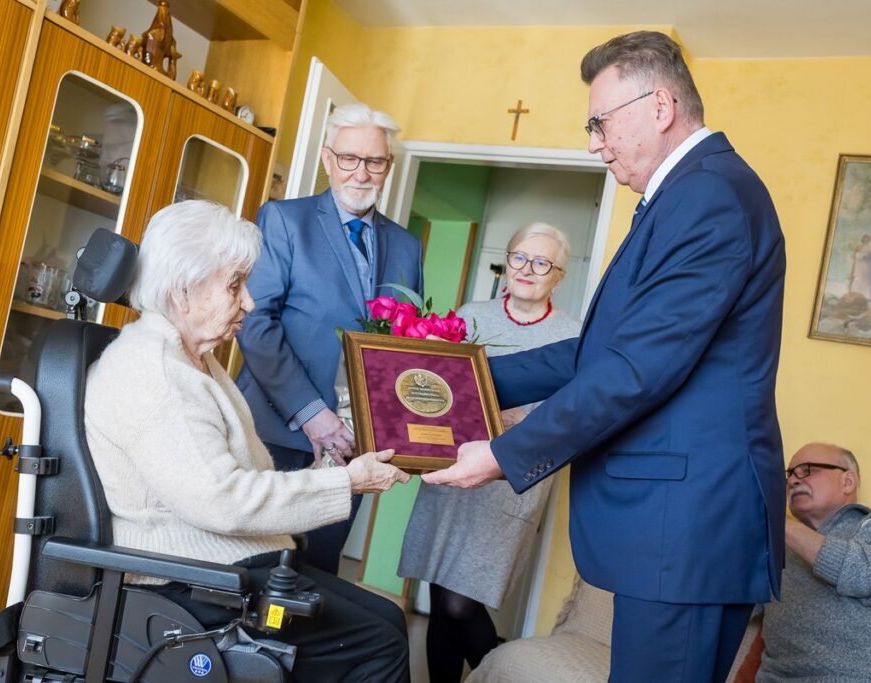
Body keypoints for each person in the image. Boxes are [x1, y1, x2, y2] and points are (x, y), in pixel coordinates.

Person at [425, 30, 787, 683]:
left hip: (686, 526)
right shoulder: (685, 196)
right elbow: (599, 353)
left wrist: (505, 455)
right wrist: (455, 381)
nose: (593, 143)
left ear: (659, 106)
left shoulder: (709, 196)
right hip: (675, 528)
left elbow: (636, 370)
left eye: (600, 122)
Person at [85, 200, 412, 683]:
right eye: (235, 285)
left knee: (388, 621)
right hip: (190, 579)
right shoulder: (154, 372)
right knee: (378, 643)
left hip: (232, 562)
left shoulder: (193, 360)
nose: (251, 303)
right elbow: (223, 500)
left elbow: (237, 478)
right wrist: (347, 483)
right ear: (183, 291)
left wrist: (328, 471)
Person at [236, 102, 423, 575]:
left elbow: (403, 348)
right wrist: (313, 414)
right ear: (327, 159)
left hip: (353, 450)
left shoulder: (407, 246)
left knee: (319, 576)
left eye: (374, 161)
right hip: (276, 433)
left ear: (388, 167)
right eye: (349, 159)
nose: (361, 173)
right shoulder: (284, 220)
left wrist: (380, 428)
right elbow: (256, 324)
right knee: (255, 569)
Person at [399, 223, 581, 681]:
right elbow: (437, 394)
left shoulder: (573, 334)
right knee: (442, 600)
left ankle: (501, 675)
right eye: (519, 257)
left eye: (542, 263)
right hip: (452, 474)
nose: (527, 269)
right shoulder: (468, 317)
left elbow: (570, 420)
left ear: (558, 275)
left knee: (462, 603)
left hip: (508, 483)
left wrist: (505, 422)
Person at [757, 443, 871, 682]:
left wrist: (779, 524)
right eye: (789, 474)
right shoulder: (773, 549)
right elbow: (730, 603)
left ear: (848, 482)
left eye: (808, 469)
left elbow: (868, 577)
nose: (793, 481)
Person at [848, 233, 871, 298]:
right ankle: (855, 295)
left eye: (870, 240)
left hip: (865, 266)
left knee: (863, 281)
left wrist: (865, 256)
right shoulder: (861, 247)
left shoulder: (867, 247)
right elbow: (855, 256)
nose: (870, 242)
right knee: (858, 280)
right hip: (861, 266)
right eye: (870, 240)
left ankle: (861, 296)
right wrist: (860, 256)